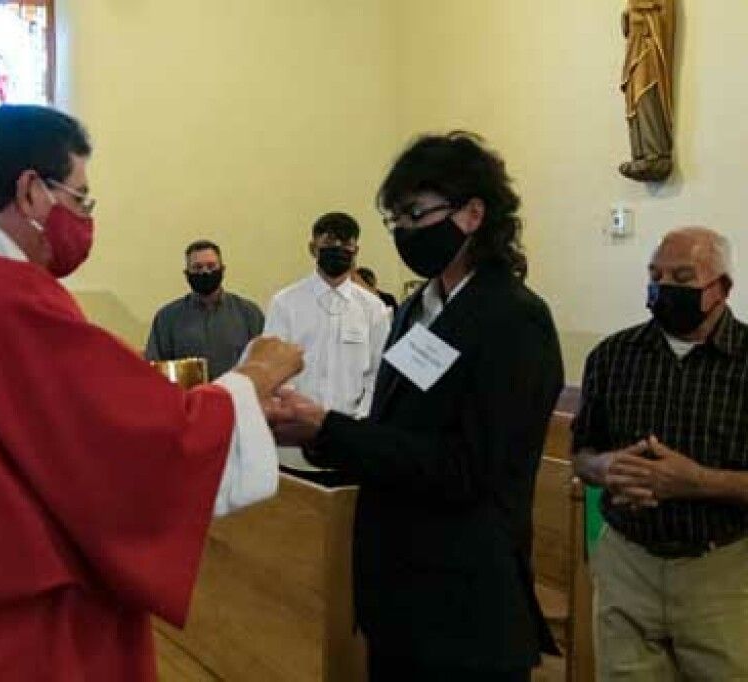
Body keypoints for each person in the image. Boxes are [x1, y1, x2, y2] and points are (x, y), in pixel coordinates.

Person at [0, 105, 303, 681]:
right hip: (7, 623)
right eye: (80, 199)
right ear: (31, 189)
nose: (84, 220)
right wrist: (253, 377)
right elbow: (130, 446)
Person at [272, 132, 563, 681]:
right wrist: (312, 430)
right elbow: (393, 430)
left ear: (473, 213)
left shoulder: (513, 319)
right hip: (400, 593)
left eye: (414, 213)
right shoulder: (412, 311)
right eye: (394, 219)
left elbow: (467, 468)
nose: (404, 231)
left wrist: (327, 428)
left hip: (463, 603)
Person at [573, 226, 748, 681]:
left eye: (683, 277)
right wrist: (605, 468)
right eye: (656, 275)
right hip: (628, 564)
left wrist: (697, 482)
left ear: (722, 289)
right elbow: (582, 453)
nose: (664, 288)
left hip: (722, 570)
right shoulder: (612, 356)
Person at [263, 212, 389, 418]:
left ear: (355, 251)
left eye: (345, 244)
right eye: (330, 242)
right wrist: (298, 411)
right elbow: (274, 368)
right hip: (295, 424)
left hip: (354, 425)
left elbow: (378, 373)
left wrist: (362, 416)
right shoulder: (285, 303)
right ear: (313, 249)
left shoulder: (374, 309)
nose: (338, 248)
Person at [145, 239, 264, 380]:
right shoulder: (166, 319)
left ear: (223, 270)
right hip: (189, 400)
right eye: (197, 267)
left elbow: (265, 364)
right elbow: (155, 370)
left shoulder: (249, 314)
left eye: (211, 266)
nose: (205, 272)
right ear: (186, 274)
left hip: (237, 400)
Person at [619, 0, 675, 182]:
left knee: (646, 95)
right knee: (633, 97)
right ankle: (639, 152)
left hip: (649, 48)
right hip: (635, 48)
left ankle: (654, 151)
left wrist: (641, 12)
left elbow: (664, 12)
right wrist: (629, 16)